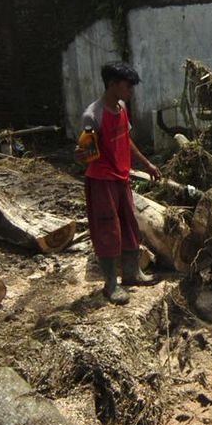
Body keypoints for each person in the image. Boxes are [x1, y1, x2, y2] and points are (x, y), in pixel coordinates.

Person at [77, 61, 162, 305]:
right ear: (113, 84)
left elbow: (126, 139)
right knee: (108, 229)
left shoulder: (121, 107)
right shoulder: (92, 115)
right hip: (102, 181)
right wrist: (82, 153)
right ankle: (110, 285)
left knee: (129, 224)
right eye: (128, 87)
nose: (131, 92)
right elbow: (85, 154)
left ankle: (132, 273)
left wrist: (147, 164)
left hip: (121, 177)